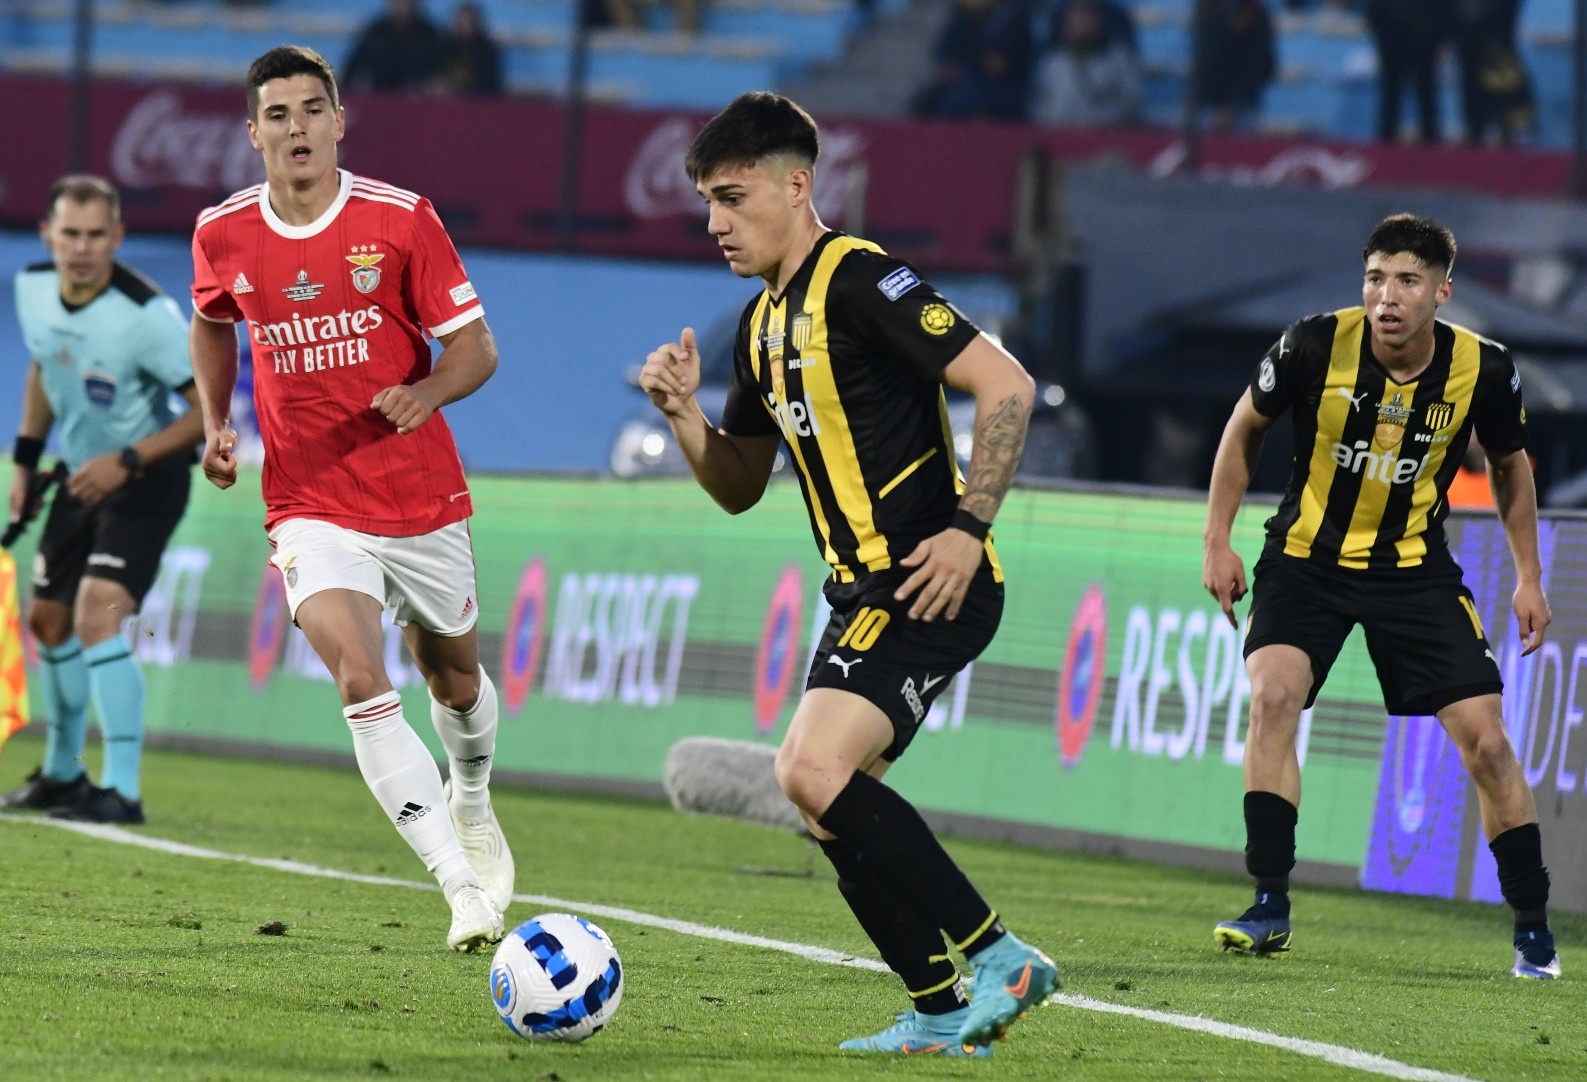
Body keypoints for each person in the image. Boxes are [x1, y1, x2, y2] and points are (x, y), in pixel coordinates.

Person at [639, 91, 1058, 1054]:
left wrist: (965, 528)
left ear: (796, 186)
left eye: (733, 198)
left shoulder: (864, 279)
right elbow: (741, 483)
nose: (715, 222)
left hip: (928, 576)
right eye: (707, 201)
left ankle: (998, 956)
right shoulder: (756, 325)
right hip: (859, 594)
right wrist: (685, 419)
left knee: (808, 768)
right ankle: (941, 1011)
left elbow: (1007, 384)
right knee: (832, 805)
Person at [187, 45, 514, 953]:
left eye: (311, 110)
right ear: (253, 133)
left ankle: (474, 798)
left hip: (420, 496)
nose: (297, 128)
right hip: (308, 501)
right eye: (278, 115)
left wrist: (430, 391)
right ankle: (460, 888)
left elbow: (476, 347)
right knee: (361, 678)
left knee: (453, 677)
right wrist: (218, 422)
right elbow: (212, 320)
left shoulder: (400, 220)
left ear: (340, 120)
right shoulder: (222, 232)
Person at [1202, 213, 1562, 981]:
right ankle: (1268, 901)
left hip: (1412, 573)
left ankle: (1532, 927)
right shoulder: (1309, 343)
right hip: (1303, 562)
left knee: (1488, 743)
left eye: (1405, 281)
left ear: (1441, 292)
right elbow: (1243, 430)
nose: (1385, 296)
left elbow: (1509, 465)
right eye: (1374, 278)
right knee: (1272, 697)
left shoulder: (1484, 370)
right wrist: (1216, 540)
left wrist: (1528, 575)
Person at [1, 175, 203, 825]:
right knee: (48, 624)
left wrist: (129, 460)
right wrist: (27, 462)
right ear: (47, 236)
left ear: (117, 237)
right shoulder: (32, 290)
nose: (82, 248)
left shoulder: (148, 316)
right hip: (79, 475)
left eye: (96, 235)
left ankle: (122, 790)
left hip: (148, 478)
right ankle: (63, 773)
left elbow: (210, 411)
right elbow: (42, 365)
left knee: (97, 616)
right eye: (70, 234)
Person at [1031, 0, 1141, 127]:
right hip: (1058, 135)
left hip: (1104, 136)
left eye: (1086, 19)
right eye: (1074, 20)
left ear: (1098, 21)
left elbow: (1130, 101)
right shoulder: (1051, 62)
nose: (1080, 24)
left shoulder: (1118, 59)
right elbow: (1037, 102)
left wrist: (1102, 121)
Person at [1191, 0, 1276, 132]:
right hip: (1206, 104)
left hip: (1241, 109)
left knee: (1240, 150)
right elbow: (1201, 57)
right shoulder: (1208, 6)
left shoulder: (1253, 10)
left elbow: (1259, 64)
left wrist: (1232, 105)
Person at [1365, 0, 1442, 144]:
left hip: (1423, 30)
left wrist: (1440, 33)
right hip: (1390, 28)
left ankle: (1431, 142)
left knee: (1425, 88)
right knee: (1391, 89)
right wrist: (1373, 18)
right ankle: (1386, 142)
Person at [343, 0, 447, 94]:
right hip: (379, 97)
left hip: (419, 99)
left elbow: (441, 68)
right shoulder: (377, 32)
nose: (403, 6)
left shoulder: (428, 34)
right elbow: (354, 67)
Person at [438, 2, 503, 96]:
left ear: (477, 23)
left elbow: (490, 86)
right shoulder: (442, 47)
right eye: (461, 23)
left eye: (469, 22)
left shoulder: (487, 51)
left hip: (476, 103)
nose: (466, 27)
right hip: (446, 102)